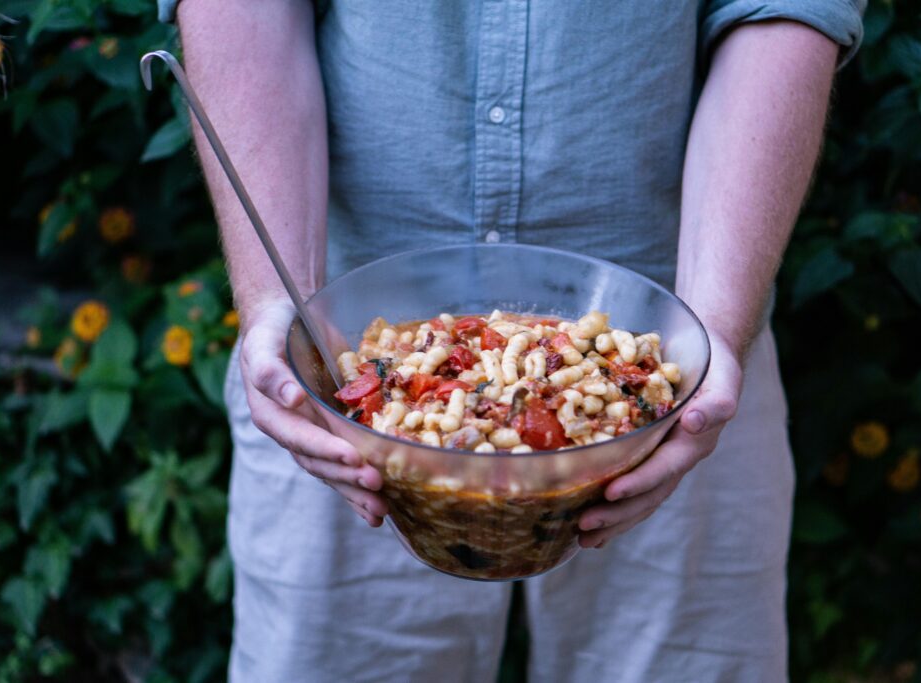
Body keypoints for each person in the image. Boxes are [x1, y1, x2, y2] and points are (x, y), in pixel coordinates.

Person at [159, 1, 864, 680]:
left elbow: (781, 8)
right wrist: (277, 305)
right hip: (337, 382)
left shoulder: (686, 363)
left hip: (678, 367)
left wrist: (713, 322)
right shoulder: (329, 367)